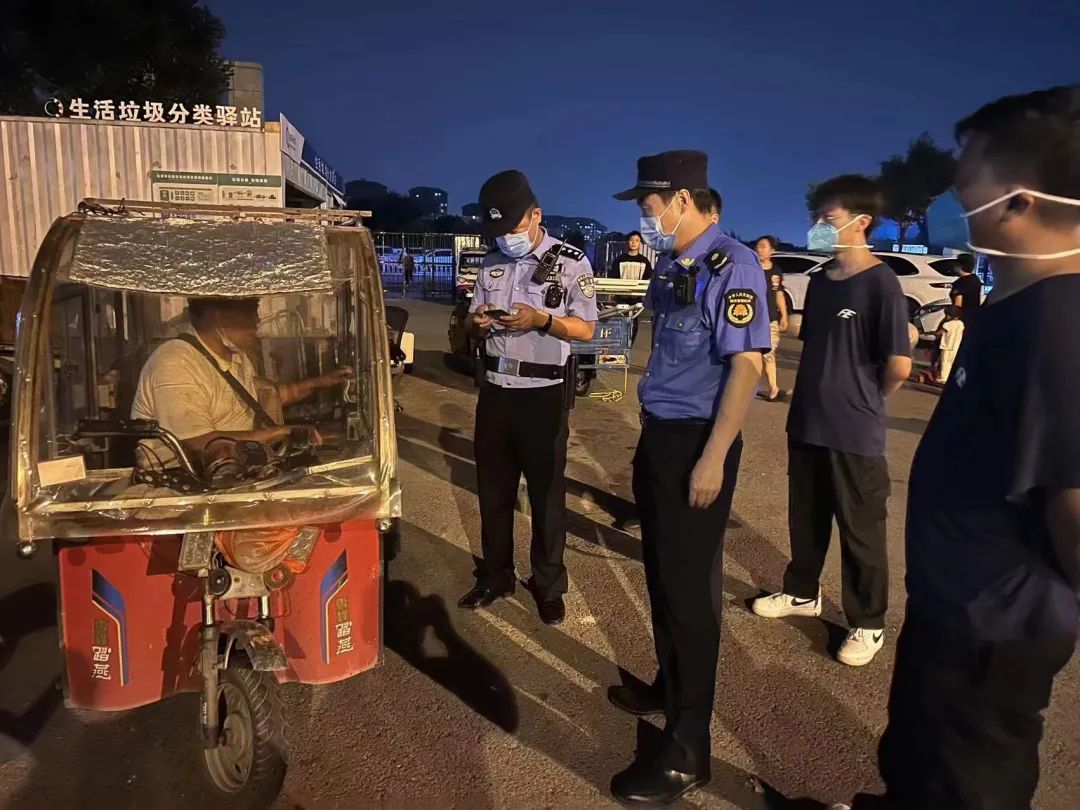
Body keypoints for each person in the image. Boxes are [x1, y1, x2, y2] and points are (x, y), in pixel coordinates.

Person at [848, 84, 1080, 810]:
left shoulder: (1060, 323)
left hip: (993, 629)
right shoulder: (1017, 305)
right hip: (955, 607)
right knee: (915, 763)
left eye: (968, 176)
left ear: (1019, 202)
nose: (953, 194)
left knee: (961, 784)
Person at [607, 151, 770, 805]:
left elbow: (747, 367)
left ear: (680, 198)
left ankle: (687, 751)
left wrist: (713, 456)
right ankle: (669, 688)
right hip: (661, 438)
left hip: (697, 444)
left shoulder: (735, 266)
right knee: (663, 578)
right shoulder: (675, 265)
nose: (646, 217)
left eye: (650, 206)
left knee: (689, 596)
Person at [751, 175, 912, 668]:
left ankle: (868, 622)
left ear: (861, 223)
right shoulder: (820, 282)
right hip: (806, 422)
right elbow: (816, 346)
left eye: (828, 218)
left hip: (854, 430)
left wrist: (864, 400)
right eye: (815, 217)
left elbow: (899, 366)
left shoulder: (881, 283)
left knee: (861, 530)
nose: (818, 226)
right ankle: (802, 592)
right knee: (806, 518)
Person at [457, 170, 597, 625]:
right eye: (498, 230)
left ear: (536, 215)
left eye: (513, 227)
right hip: (496, 394)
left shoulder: (571, 262)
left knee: (546, 499)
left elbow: (586, 329)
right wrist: (477, 323)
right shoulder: (490, 263)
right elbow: (469, 324)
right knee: (493, 494)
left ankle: (548, 584)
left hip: (543, 396)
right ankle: (496, 575)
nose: (506, 238)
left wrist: (542, 320)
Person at [131, 297, 348, 464]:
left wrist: (322, 382)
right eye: (249, 311)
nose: (257, 320)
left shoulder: (236, 357)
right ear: (216, 316)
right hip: (183, 484)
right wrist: (281, 432)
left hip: (236, 470)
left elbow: (266, 397)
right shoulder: (176, 361)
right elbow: (198, 442)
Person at [754, 235, 790, 401]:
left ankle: (773, 388)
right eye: (757, 246)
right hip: (751, 318)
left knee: (768, 353)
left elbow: (779, 294)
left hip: (770, 319)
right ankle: (748, 387)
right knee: (752, 354)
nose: (759, 249)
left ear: (772, 250)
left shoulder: (776, 271)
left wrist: (784, 315)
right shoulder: (751, 268)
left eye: (763, 246)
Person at [949, 251, 981, 324]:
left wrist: (949, 322)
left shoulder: (960, 283)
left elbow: (958, 305)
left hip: (962, 320)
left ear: (960, 266)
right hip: (974, 319)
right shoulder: (976, 279)